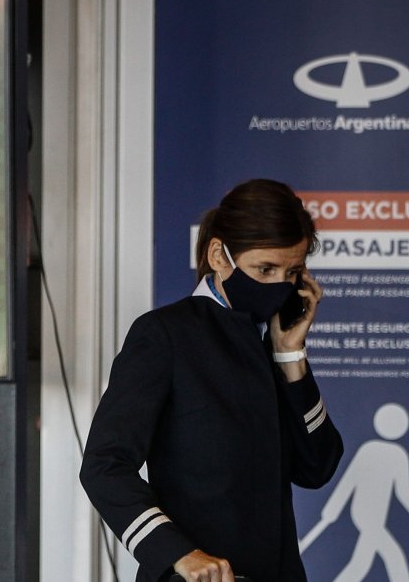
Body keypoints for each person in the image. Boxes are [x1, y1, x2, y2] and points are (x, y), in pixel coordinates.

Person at [80, 178, 344, 582]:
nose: (279, 286)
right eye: (265, 269)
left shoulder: (272, 342)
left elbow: (317, 467)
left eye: (292, 272)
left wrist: (292, 355)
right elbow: (104, 465)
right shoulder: (164, 334)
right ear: (219, 256)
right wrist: (178, 554)